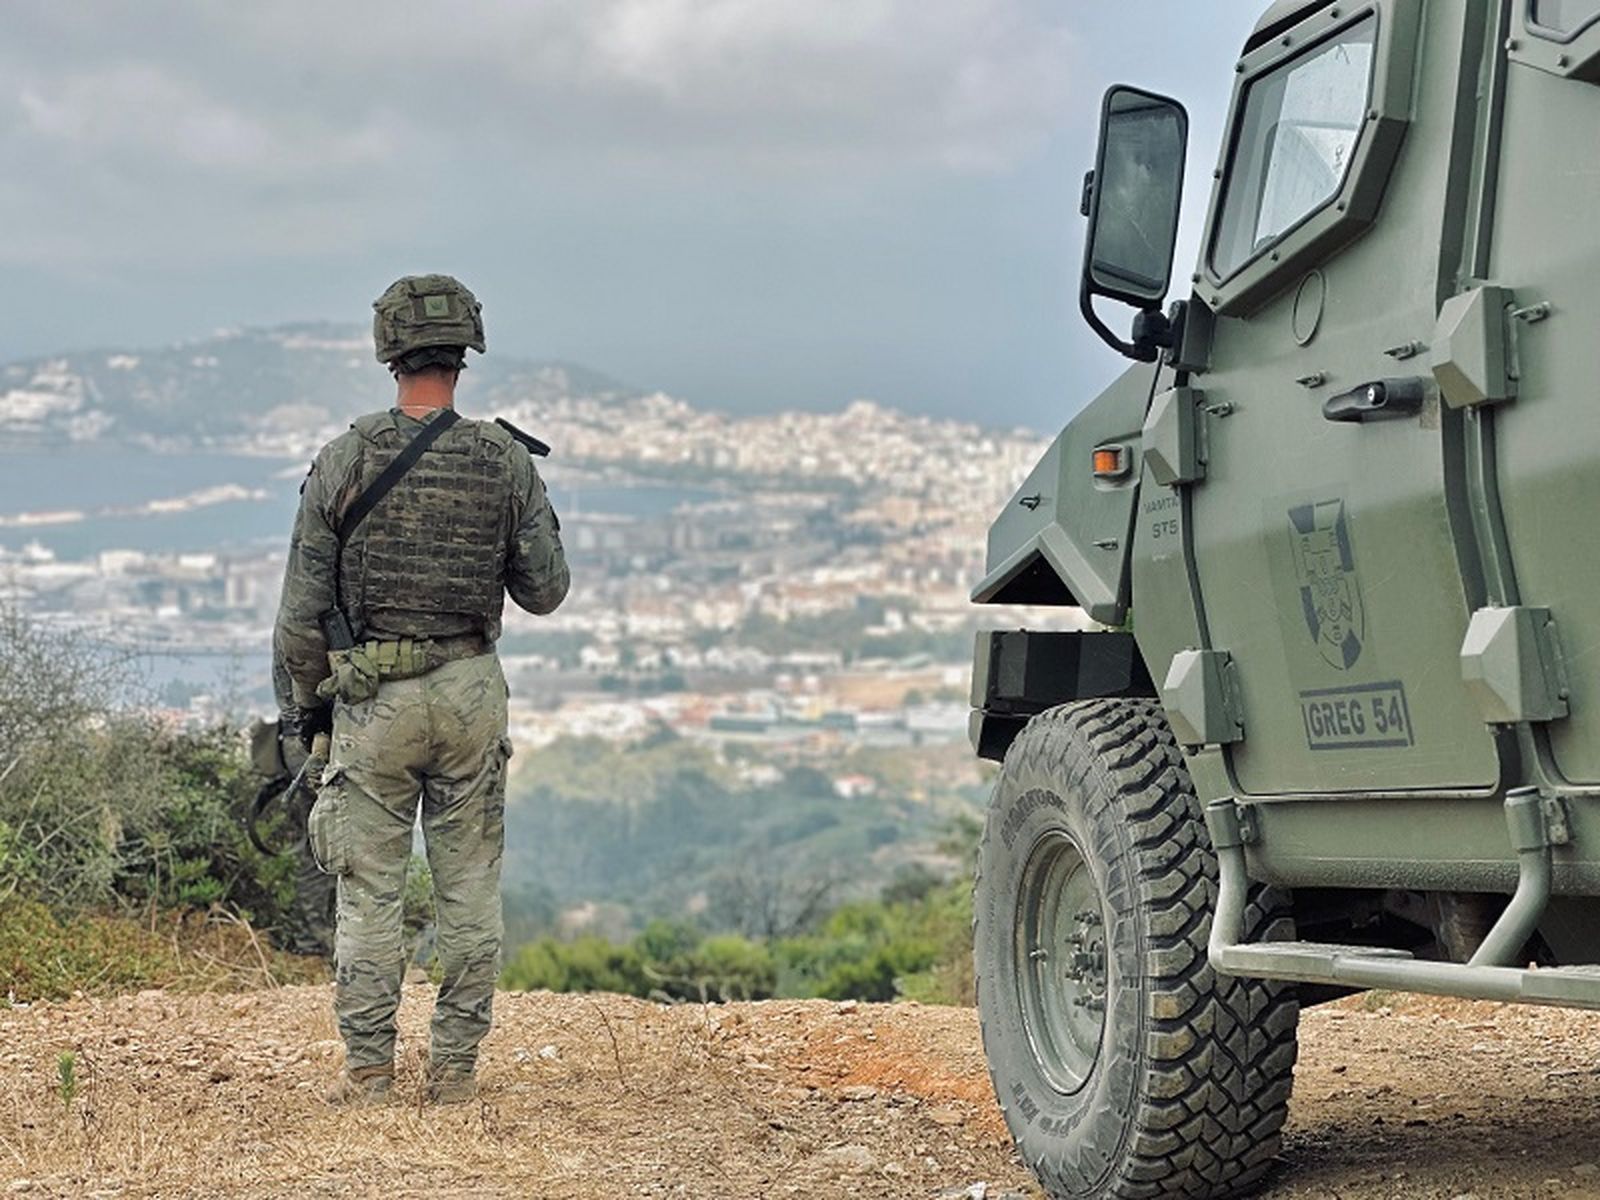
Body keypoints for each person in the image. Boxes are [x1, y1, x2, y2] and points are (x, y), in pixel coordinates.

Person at [273, 274, 569, 1106]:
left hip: (374, 698)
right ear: (465, 354)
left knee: (369, 891)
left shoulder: (344, 459)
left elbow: (300, 619)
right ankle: (455, 1074)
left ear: (388, 353)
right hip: (470, 690)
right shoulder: (502, 459)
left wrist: (308, 713)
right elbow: (546, 590)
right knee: (468, 885)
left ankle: (369, 1074)